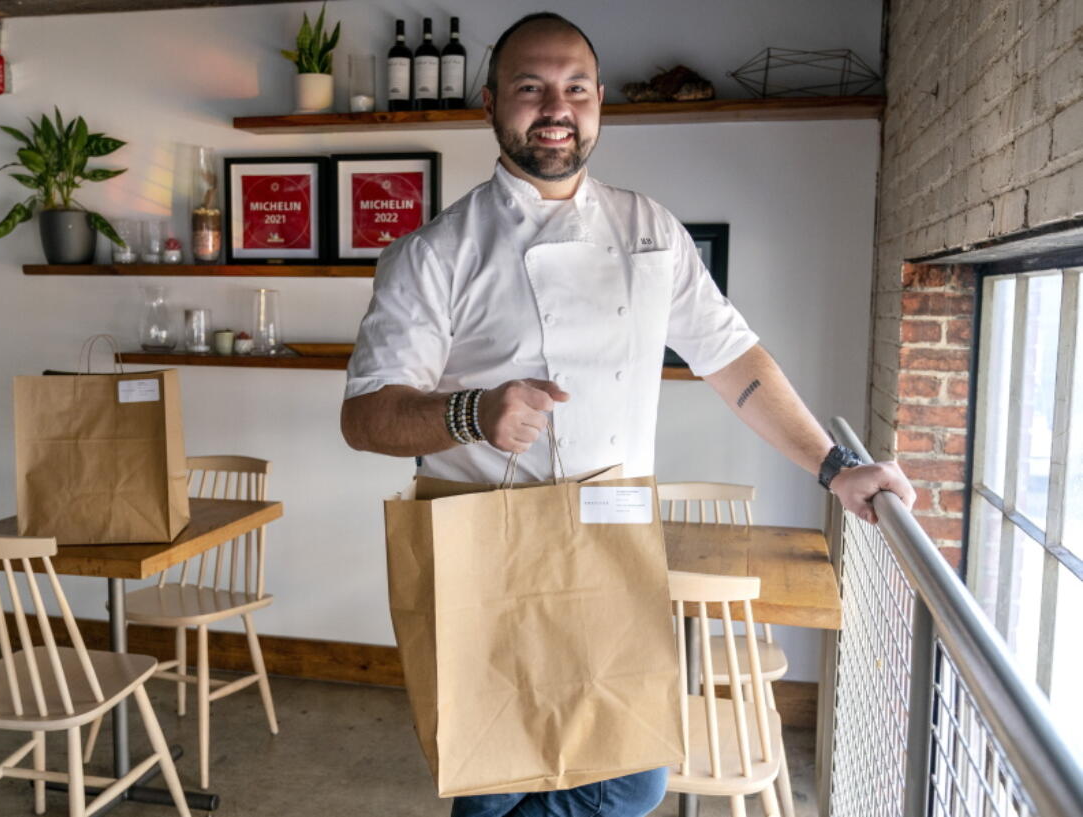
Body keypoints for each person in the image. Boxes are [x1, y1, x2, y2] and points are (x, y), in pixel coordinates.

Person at [341, 12, 915, 817]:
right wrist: (473, 412)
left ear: (600, 102)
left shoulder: (651, 231)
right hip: (487, 543)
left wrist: (835, 466)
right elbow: (365, 417)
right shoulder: (436, 252)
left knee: (630, 773)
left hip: (608, 538)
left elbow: (735, 362)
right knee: (497, 768)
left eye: (575, 88)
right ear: (490, 102)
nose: (555, 107)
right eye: (531, 87)